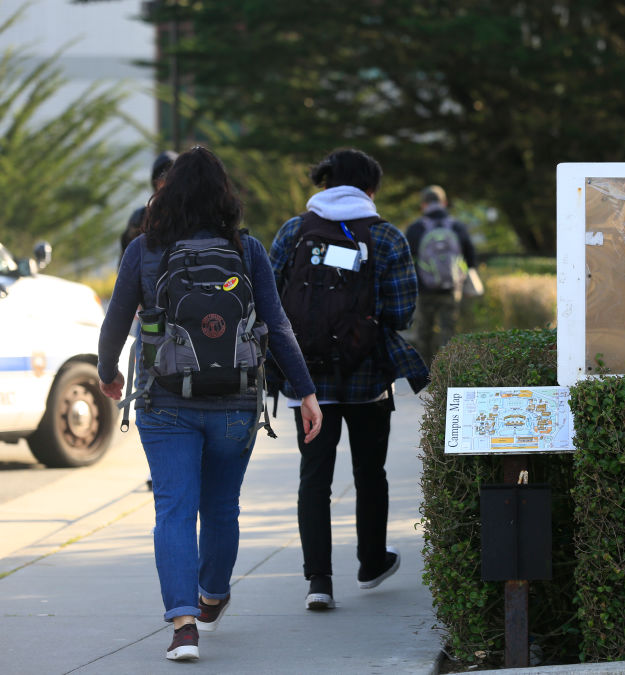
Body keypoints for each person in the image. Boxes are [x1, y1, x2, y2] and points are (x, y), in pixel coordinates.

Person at [97, 146, 323, 662]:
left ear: (166, 194)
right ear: (225, 196)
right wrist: (306, 391)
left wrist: (108, 375)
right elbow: (278, 326)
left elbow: (114, 324)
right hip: (236, 401)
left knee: (174, 509)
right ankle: (213, 595)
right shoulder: (247, 250)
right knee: (221, 507)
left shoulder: (144, 249)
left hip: (164, 400)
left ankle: (183, 627)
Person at [269, 147, 428, 611]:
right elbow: (401, 311)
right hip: (368, 379)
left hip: (308, 382)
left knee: (314, 478)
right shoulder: (387, 236)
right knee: (370, 473)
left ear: (324, 184)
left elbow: (271, 300)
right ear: (370, 189)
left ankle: (318, 582)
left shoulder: (294, 231)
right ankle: (371, 562)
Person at [404, 184, 478, 365]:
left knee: (424, 332)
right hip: (451, 289)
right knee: (448, 332)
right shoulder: (457, 227)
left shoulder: (416, 228)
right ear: (444, 202)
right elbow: (470, 258)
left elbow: (405, 259)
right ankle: (447, 371)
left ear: (423, 204)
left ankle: (425, 371)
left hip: (424, 289)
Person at [120, 150, 177, 258]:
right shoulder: (140, 218)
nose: (168, 186)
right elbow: (126, 260)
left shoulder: (190, 218)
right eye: (163, 179)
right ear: (156, 184)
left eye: (172, 180)